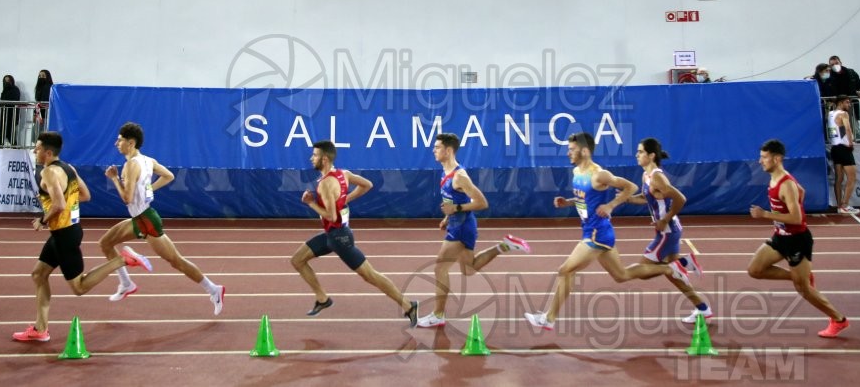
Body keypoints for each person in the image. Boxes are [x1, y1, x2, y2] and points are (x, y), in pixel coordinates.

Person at [524, 132, 690, 331]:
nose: (568, 153)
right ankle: (670, 268)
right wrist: (568, 202)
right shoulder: (577, 172)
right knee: (622, 275)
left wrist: (611, 205)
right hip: (595, 232)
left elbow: (631, 187)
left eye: (572, 150)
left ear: (585, 151)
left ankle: (549, 318)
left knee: (564, 271)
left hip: (596, 234)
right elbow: (586, 198)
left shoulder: (599, 174)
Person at [12, 132, 153, 342]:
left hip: (64, 235)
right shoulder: (69, 168)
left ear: (48, 153)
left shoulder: (49, 173)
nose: (35, 151)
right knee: (38, 275)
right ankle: (40, 329)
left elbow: (59, 204)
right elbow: (86, 195)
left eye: (38, 148)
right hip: (66, 231)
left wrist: (42, 220)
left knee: (79, 287)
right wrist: (62, 204)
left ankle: (122, 259)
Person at [99, 122, 225, 314]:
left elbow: (127, 198)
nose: (116, 143)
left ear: (131, 143)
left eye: (120, 140)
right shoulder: (148, 160)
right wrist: (150, 188)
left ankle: (213, 289)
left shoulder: (130, 166)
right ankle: (126, 283)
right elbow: (169, 176)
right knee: (106, 243)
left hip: (147, 221)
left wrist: (114, 178)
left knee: (176, 261)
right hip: (140, 218)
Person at [290, 140, 419, 326]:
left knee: (370, 275)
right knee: (297, 260)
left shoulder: (326, 184)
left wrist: (310, 203)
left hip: (339, 238)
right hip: (332, 235)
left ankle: (409, 306)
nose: (311, 158)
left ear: (324, 159)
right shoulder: (343, 174)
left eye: (315, 155)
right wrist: (345, 199)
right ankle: (322, 298)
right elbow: (367, 185)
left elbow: (332, 216)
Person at [417, 133, 531, 328]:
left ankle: (438, 315)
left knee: (440, 267)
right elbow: (454, 201)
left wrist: (456, 210)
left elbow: (482, 203)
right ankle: (504, 246)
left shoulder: (459, 176)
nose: (433, 150)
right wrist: (447, 216)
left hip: (462, 227)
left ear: (449, 150)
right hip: (458, 224)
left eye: (437, 147)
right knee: (469, 269)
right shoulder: (445, 171)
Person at [748, 139, 849, 338]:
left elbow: (797, 217)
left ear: (777, 159)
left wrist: (766, 215)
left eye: (764, 157)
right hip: (781, 237)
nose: (760, 161)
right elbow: (801, 191)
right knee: (755, 270)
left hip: (797, 240)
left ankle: (839, 320)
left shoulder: (785, 183)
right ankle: (798, 277)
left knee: (804, 290)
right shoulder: (776, 179)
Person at [626, 138, 710, 323]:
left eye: (640, 152)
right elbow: (649, 197)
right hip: (668, 232)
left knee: (642, 269)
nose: (636, 155)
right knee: (675, 277)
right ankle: (702, 308)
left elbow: (680, 198)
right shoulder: (646, 175)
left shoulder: (657, 176)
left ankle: (681, 263)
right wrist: (630, 199)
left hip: (668, 232)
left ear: (651, 155)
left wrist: (664, 219)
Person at [827, 96, 858, 214]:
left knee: (839, 179)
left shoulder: (830, 114)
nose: (849, 104)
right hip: (844, 148)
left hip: (835, 148)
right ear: (840, 103)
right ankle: (845, 205)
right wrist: (851, 143)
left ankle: (840, 206)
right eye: (847, 102)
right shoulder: (843, 114)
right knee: (852, 178)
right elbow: (848, 129)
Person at [828, 55, 860, 138]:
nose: (835, 66)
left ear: (840, 63)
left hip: (851, 104)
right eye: (832, 65)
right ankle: (836, 143)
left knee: (854, 125)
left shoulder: (851, 73)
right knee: (836, 126)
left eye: (836, 63)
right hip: (835, 106)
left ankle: (858, 141)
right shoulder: (829, 76)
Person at [0, 74, 21, 146]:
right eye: (5, 80)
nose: (7, 82)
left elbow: (14, 100)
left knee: (11, 133)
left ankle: (15, 148)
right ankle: (0, 146)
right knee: (1, 131)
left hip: (12, 114)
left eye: (8, 80)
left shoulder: (15, 89)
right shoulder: (4, 90)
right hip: (3, 113)